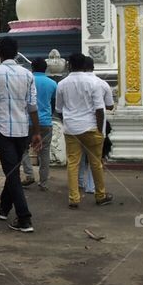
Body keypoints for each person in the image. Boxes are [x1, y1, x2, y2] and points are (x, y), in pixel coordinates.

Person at [0, 37, 42, 233]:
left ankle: (24, 217)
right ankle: (4, 208)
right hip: (23, 129)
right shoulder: (27, 74)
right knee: (13, 170)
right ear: (17, 53)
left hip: (1, 128)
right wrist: (36, 132)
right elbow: (32, 106)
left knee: (12, 173)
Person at [55, 52, 114, 209]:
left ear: (69, 65)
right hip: (91, 127)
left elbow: (59, 109)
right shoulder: (94, 83)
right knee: (96, 163)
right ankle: (100, 195)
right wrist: (100, 131)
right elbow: (100, 109)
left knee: (73, 163)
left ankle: (74, 198)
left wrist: (66, 122)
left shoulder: (62, 84)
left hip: (71, 129)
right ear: (86, 66)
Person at [78, 56, 114, 196]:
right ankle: (91, 186)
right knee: (95, 158)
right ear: (93, 67)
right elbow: (110, 106)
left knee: (78, 157)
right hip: (97, 125)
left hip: (77, 125)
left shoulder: (72, 83)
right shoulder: (102, 84)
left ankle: (79, 182)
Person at [20, 57, 57, 191]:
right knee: (44, 153)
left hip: (27, 121)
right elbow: (54, 103)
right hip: (46, 122)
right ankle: (43, 182)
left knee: (23, 149)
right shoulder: (52, 84)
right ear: (45, 68)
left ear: (32, 68)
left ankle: (29, 174)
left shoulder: (26, 81)